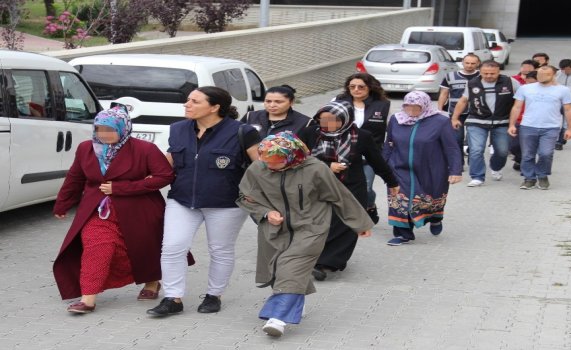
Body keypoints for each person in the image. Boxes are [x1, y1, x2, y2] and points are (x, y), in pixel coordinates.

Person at [236, 132, 374, 337]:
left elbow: (339, 196)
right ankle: (294, 300)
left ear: (293, 156)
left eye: (276, 160)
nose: (269, 165)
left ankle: (277, 318)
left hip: (311, 227)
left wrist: (359, 223)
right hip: (274, 228)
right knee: (278, 269)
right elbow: (246, 196)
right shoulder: (258, 167)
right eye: (265, 159)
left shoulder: (316, 169)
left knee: (291, 268)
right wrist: (265, 213)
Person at [147, 86, 261, 317]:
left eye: (195, 101)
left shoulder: (243, 131)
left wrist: (259, 197)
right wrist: (143, 178)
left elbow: (261, 167)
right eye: (188, 100)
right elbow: (169, 160)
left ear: (215, 107)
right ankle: (173, 298)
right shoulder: (178, 129)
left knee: (220, 250)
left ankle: (213, 296)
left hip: (226, 203)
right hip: (181, 199)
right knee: (171, 248)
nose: (187, 104)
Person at [53, 106, 174, 313]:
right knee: (97, 248)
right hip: (98, 210)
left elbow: (165, 176)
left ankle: (152, 282)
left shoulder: (145, 149)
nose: (105, 134)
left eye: (110, 130)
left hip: (139, 210)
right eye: (100, 129)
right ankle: (88, 299)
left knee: (143, 249)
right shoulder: (86, 148)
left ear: (124, 128)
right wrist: (63, 203)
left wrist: (122, 188)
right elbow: (75, 177)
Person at [299, 101, 399, 279]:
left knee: (345, 225)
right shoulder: (309, 133)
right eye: (323, 120)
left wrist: (392, 182)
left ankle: (326, 263)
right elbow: (298, 158)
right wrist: (327, 165)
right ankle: (317, 257)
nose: (327, 125)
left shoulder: (361, 136)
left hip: (351, 186)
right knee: (320, 222)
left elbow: (377, 161)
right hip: (317, 186)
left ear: (345, 119)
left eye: (333, 120)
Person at [383, 91, 463, 246]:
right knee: (399, 198)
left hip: (431, 169)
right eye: (408, 106)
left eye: (416, 107)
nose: (411, 111)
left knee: (430, 199)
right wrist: (382, 166)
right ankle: (402, 234)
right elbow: (389, 144)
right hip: (399, 167)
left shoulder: (440, 121)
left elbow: (451, 148)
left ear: (425, 106)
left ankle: (435, 218)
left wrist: (455, 170)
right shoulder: (396, 119)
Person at [450, 60, 520, 187]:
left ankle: (496, 167)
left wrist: (514, 121)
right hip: (477, 121)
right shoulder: (472, 83)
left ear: (499, 72)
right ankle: (477, 176)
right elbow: (463, 101)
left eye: (492, 74)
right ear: (480, 72)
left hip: (502, 121)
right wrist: (455, 118)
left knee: (502, 151)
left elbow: (520, 100)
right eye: (485, 73)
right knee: (476, 150)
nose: (488, 76)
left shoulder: (510, 82)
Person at [333, 73, 391, 224]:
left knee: (366, 187)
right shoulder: (338, 101)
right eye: (352, 87)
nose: (356, 90)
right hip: (342, 151)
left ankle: (370, 204)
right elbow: (326, 124)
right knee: (342, 186)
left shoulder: (383, 104)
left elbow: (388, 128)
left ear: (370, 87)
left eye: (361, 87)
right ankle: (349, 216)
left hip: (369, 153)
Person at [508, 66, 571, 190]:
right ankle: (529, 178)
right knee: (528, 154)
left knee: (546, 153)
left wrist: (570, 128)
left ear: (553, 75)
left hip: (551, 127)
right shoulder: (525, 89)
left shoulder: (563, 90)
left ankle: (542, 175)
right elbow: (516, 107)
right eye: (539, 74)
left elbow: (568, 109)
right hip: (528, 126)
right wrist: (512, 125)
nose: (542, 77)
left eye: (546, 74)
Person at [437, 53, 482, 165]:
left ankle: (473, 161)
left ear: (478, 64)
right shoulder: (450, 76)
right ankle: (458, 163)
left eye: (473, 63)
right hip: (456, 113)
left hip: (477, 112)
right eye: (467, 63)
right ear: (462, 62)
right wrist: (439, 110)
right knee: (457, 139)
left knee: (474, 140)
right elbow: (444, 94)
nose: (470, 65)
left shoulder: (483, 76)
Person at [241, 85, 315, 140]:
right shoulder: (250, 116)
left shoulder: (306, 123)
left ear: (291, 102)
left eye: (278, 102)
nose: (272, 105)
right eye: (268, 101)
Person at [510, 69, 538, 171]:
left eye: (533, 83)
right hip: (518, 120)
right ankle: (519, 158)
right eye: (527, 82)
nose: (529, 85)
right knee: (514, 145)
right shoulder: (521, 90)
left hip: (534, 123)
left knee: (530, 146)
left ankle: (527, 166)